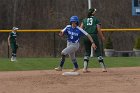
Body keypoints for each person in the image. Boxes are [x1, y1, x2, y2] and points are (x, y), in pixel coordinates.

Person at [80, 8, 107, 73]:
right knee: (97, 51)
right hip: (94, 36)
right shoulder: (96, 20)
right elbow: (98, 29)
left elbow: (80, 29)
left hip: (86, 36)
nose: (95, 12)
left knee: (87, 52)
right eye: (94, 11)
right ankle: (103, 68)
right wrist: (102, 37)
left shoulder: (84, 20)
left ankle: (84, 68)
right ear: (92, 13)